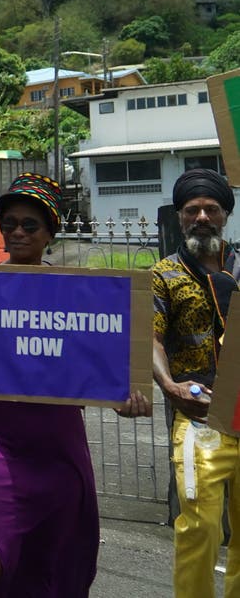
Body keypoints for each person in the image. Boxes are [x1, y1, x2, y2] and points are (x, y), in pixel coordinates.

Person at [0, 172, 150, 597]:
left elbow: (101, 370)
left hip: (57, 447)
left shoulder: (77, 295)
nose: (16, 232)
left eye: (29, 225)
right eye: (8, 222)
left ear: (50, 232)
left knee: (52, 554)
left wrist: (125, 398)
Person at [153, 167, 240, 598]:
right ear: (180, 217)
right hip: (199, 412)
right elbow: (149, 335)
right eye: (193, 210)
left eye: (211, 209)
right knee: (200, 526)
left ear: (225, 214)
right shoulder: (163, 275)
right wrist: (168, 384)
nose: (202, 217)